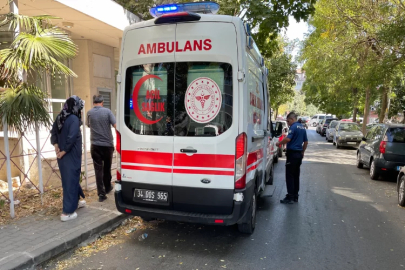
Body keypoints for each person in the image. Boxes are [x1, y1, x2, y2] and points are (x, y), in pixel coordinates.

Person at [51, 95, 86, 222]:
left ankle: (76, 201)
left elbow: (53, 133)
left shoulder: (60, 117)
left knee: (71, 179)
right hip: (70, 155)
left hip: (63, 156)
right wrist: (64, 151)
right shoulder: (74, 119)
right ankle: (67, 212)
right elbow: (71, 138)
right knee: (70, 181)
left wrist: (56, 147)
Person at [87, 95, 116, 202]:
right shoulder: (108, 112)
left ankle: (101, 194)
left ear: (93, 102)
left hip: (95, 145)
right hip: (107, 145)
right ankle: (108, 187)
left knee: (98, 170)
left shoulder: (89, 113)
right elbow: (116, 125)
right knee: (107, 168)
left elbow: (88, 125)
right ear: (102, 102)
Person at [276, 112, 308, 204]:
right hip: (298, 155)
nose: (288, 122)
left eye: (288, 120)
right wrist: (302, 152)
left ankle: (290, 197)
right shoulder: (302, 127)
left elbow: (288, 139)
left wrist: (279, 143)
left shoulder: (293, 127)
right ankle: (295, 196)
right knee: (296, 176)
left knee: (289, 176)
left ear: (292, 119)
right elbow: (306, 142)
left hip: (292, 155)